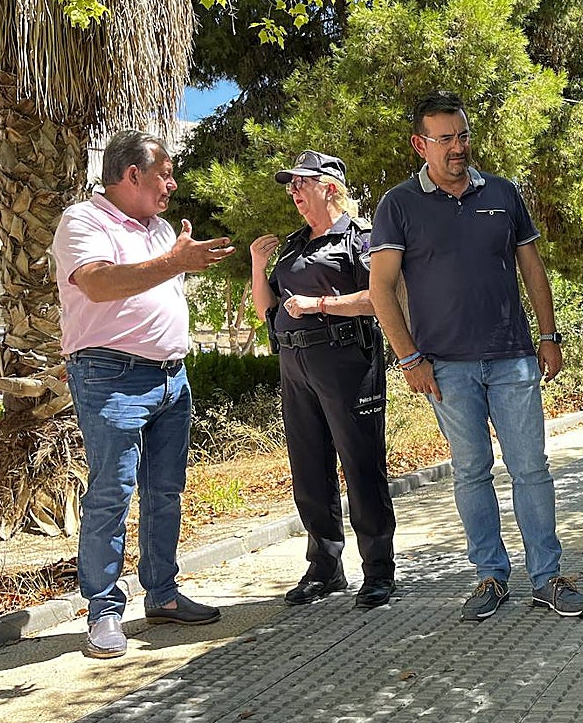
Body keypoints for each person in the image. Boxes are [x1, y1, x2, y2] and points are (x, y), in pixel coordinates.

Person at [368, 90, 583, 622]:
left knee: (531, 469)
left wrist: (549, 335)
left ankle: (548, 578)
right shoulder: (398, 205)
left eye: (463, 136)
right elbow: (382, 289)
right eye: (444, 139)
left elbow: (532, 268)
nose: (457, 148)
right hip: (446, 366)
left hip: (513, 356)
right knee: (471, 472)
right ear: (420, 144)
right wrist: (409, 358)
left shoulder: (503, 193)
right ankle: (490, 577)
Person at [53, 130, 234, 659]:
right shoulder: (83, 221)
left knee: (166, 492)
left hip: (170, 378)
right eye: (165, 173)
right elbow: (99, 284)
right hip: (111, 376)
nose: (173, 184)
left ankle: (162, 594)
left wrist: (174, 257)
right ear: (133, 175)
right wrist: (175, 262)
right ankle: (104, 612)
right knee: (112, 493)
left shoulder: (158, 230)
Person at [250, 151, 398, 609]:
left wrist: (319, 306)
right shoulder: (293, 246)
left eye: (301, 183)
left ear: (330, 187)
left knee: (361, 466)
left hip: (347, 360)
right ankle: (325, 568)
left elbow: (380, 300)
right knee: (309, 469)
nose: (293, 191)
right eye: (290, 185)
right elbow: (265, 312)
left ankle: (378, 571)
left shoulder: (360, 238)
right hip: (295, 365)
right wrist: (258, 265)